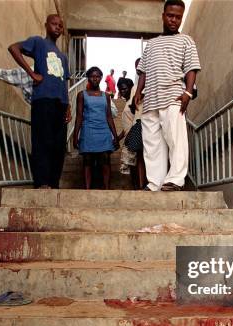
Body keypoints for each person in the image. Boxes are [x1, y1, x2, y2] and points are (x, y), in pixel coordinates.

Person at [135, 0, 200, 191]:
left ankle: (176, 180)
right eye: (170, 15)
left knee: (176, 140)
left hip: (174, 96)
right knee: (152, 144)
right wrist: (138, 92)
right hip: (150, 99)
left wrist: (188, 92)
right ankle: (155, 182)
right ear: (163, 15)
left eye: (178, 17)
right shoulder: (151, 44)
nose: (174, 20)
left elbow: (191, 68)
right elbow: (144, 71)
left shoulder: (186, 40)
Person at [7, 14, 72, 189]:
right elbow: (13, 48)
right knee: (42, 141)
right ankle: (42, 182)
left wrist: (68, 106)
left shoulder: (63, 57)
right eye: (54, 24)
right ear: (46, 25)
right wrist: (31, 72)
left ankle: (53, 183)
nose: (58, 27)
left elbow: (64, 82)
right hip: (43, 100)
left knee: (58, 146)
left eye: (60, 25)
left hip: (60, 104)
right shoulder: (38, 42)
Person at [72, 67, 120, 189]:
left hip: (103, 131)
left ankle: (107, 188)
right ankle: (87, 189)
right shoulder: (81, 95)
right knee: (87, 159)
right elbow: (78, 117)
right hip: (88, 130)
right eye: (92, 76)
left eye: (98, 76)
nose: (95, 78)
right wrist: (75, 136)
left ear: (101, 78)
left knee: (105, 158)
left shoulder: (106, 96)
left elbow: (109, 116)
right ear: (88, 78)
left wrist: (115, 136)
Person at [118, 58, 146, 190]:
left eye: (124, 89)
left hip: (139, 129)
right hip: (132, 133)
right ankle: (138, 186)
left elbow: (135, 114)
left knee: (140, 158)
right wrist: (118, 138)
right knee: (135, 161)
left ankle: (142, 185)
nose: (122, 91)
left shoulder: (137, 89)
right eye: (120, 89)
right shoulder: (129, 99)